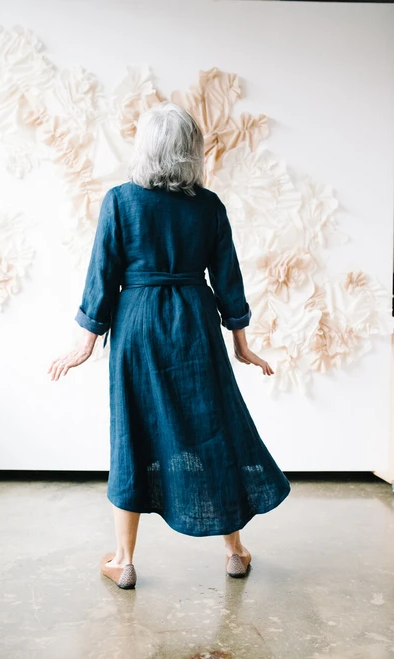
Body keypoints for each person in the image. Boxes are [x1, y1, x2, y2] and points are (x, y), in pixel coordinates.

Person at [47, 101, 291, 589]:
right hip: (195, 323)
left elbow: (103, 275)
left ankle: (124, 560)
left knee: (132, 433)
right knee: (214, 429)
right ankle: (234, 551)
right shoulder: (209, 206)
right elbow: (228, 279)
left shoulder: (121, 201)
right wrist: (241, 342)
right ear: (191, 151)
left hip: (137, 326)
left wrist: (86, 341)